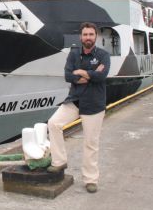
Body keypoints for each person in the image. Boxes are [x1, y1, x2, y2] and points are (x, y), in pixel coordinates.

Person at [47, 22, 110, 194]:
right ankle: (59, 162)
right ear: (80, 37)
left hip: (94, 104)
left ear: (95, 36)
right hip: (75, 100)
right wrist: (89, 73)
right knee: (53, 124)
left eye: (91, 34)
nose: (88, 37)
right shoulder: (73, 54)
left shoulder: (104, 55)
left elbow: (101, 76)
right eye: (85, 34)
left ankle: (90, 179)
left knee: (90, 143)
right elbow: (68, 75)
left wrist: (80, 72)